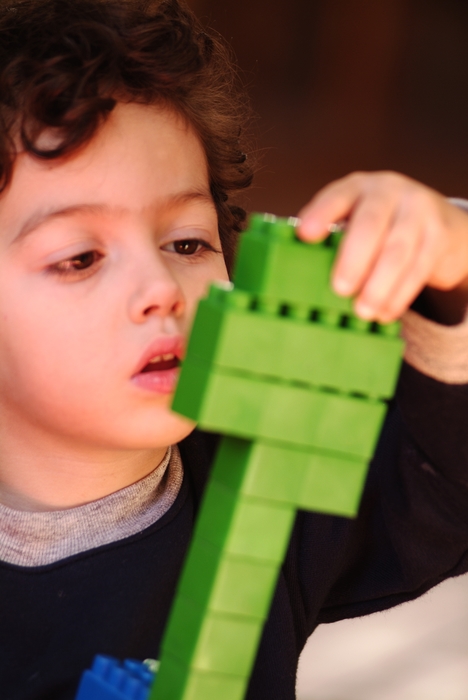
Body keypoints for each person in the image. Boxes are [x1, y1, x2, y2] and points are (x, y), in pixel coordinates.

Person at [1, 1, 468, 698]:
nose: (161, 288)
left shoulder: (271, 483)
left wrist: (449, 271)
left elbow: (444, 486)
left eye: (187, 243)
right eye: (80, 257)